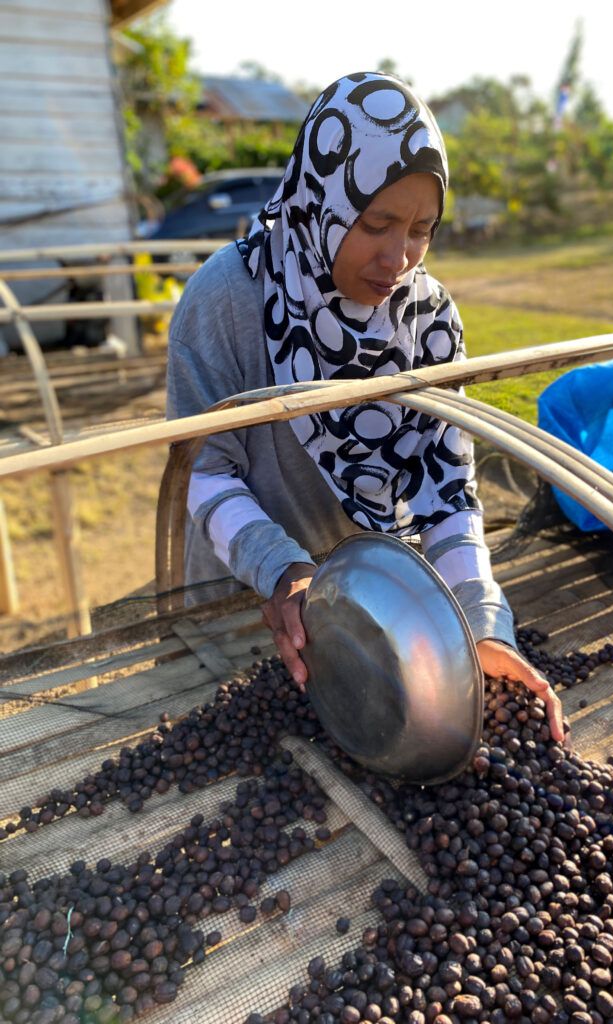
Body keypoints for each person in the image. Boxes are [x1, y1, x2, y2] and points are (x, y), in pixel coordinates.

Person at [166, 71, 565, 743]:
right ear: (321, 199)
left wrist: (482, 622)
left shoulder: (428, 319)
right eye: (376, 223)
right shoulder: (228, 302)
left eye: (422, 230)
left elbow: (446, 495)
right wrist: (284, 573)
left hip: (371, 632)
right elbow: (208, 475)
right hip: (241, 615)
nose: (399, 258)